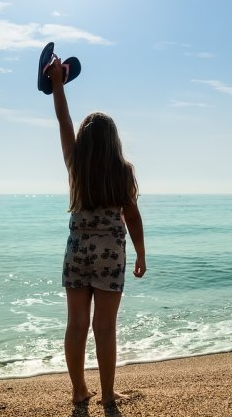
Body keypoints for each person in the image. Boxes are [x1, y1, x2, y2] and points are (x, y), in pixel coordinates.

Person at [45, 58, 147, 407]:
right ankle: (106, 395)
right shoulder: (122, 171)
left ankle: (78, 391)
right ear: (113, 141)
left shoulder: (75, 164)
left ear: (85, 141)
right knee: (104, 328)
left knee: (76, 325)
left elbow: (63, 119)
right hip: (110, 254)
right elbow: (132, 216)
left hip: (77, 251)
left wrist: (58, 83)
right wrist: (141, 254)